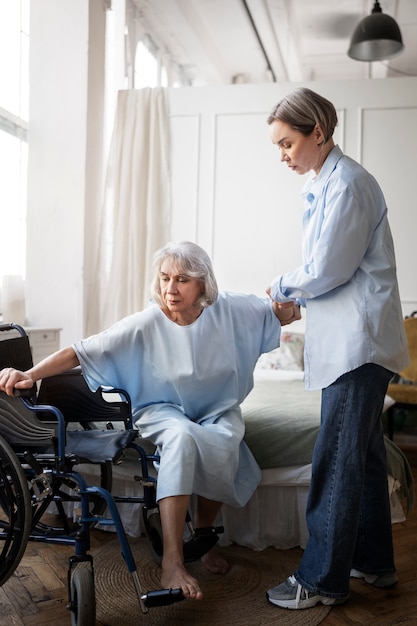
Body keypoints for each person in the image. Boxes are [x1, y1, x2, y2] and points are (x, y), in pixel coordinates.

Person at [0, 240, 299, 601]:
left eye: (182, 280)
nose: (170, 289)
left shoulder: (231, 309)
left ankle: (202, 537)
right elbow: (81, 351)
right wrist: (30, 374)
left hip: (217, 408)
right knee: (182, 438)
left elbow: (279, 313)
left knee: (227, 438)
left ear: (202, 284)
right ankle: (172, 560)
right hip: (162, 408)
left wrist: (291, 307)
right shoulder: (147, 322)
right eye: (164, 278)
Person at [264, 88, 409, 610]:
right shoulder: (332, 184)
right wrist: (301, 303)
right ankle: (374, 562)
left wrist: (281, 287)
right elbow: (341, 275)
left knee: (336, 459)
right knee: (364, 458)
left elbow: (328, 269)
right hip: (355, 341)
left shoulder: (347, 184)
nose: (282, 155)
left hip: (358, 348)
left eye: (286, 143)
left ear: (317, 134)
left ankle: (321, 578)